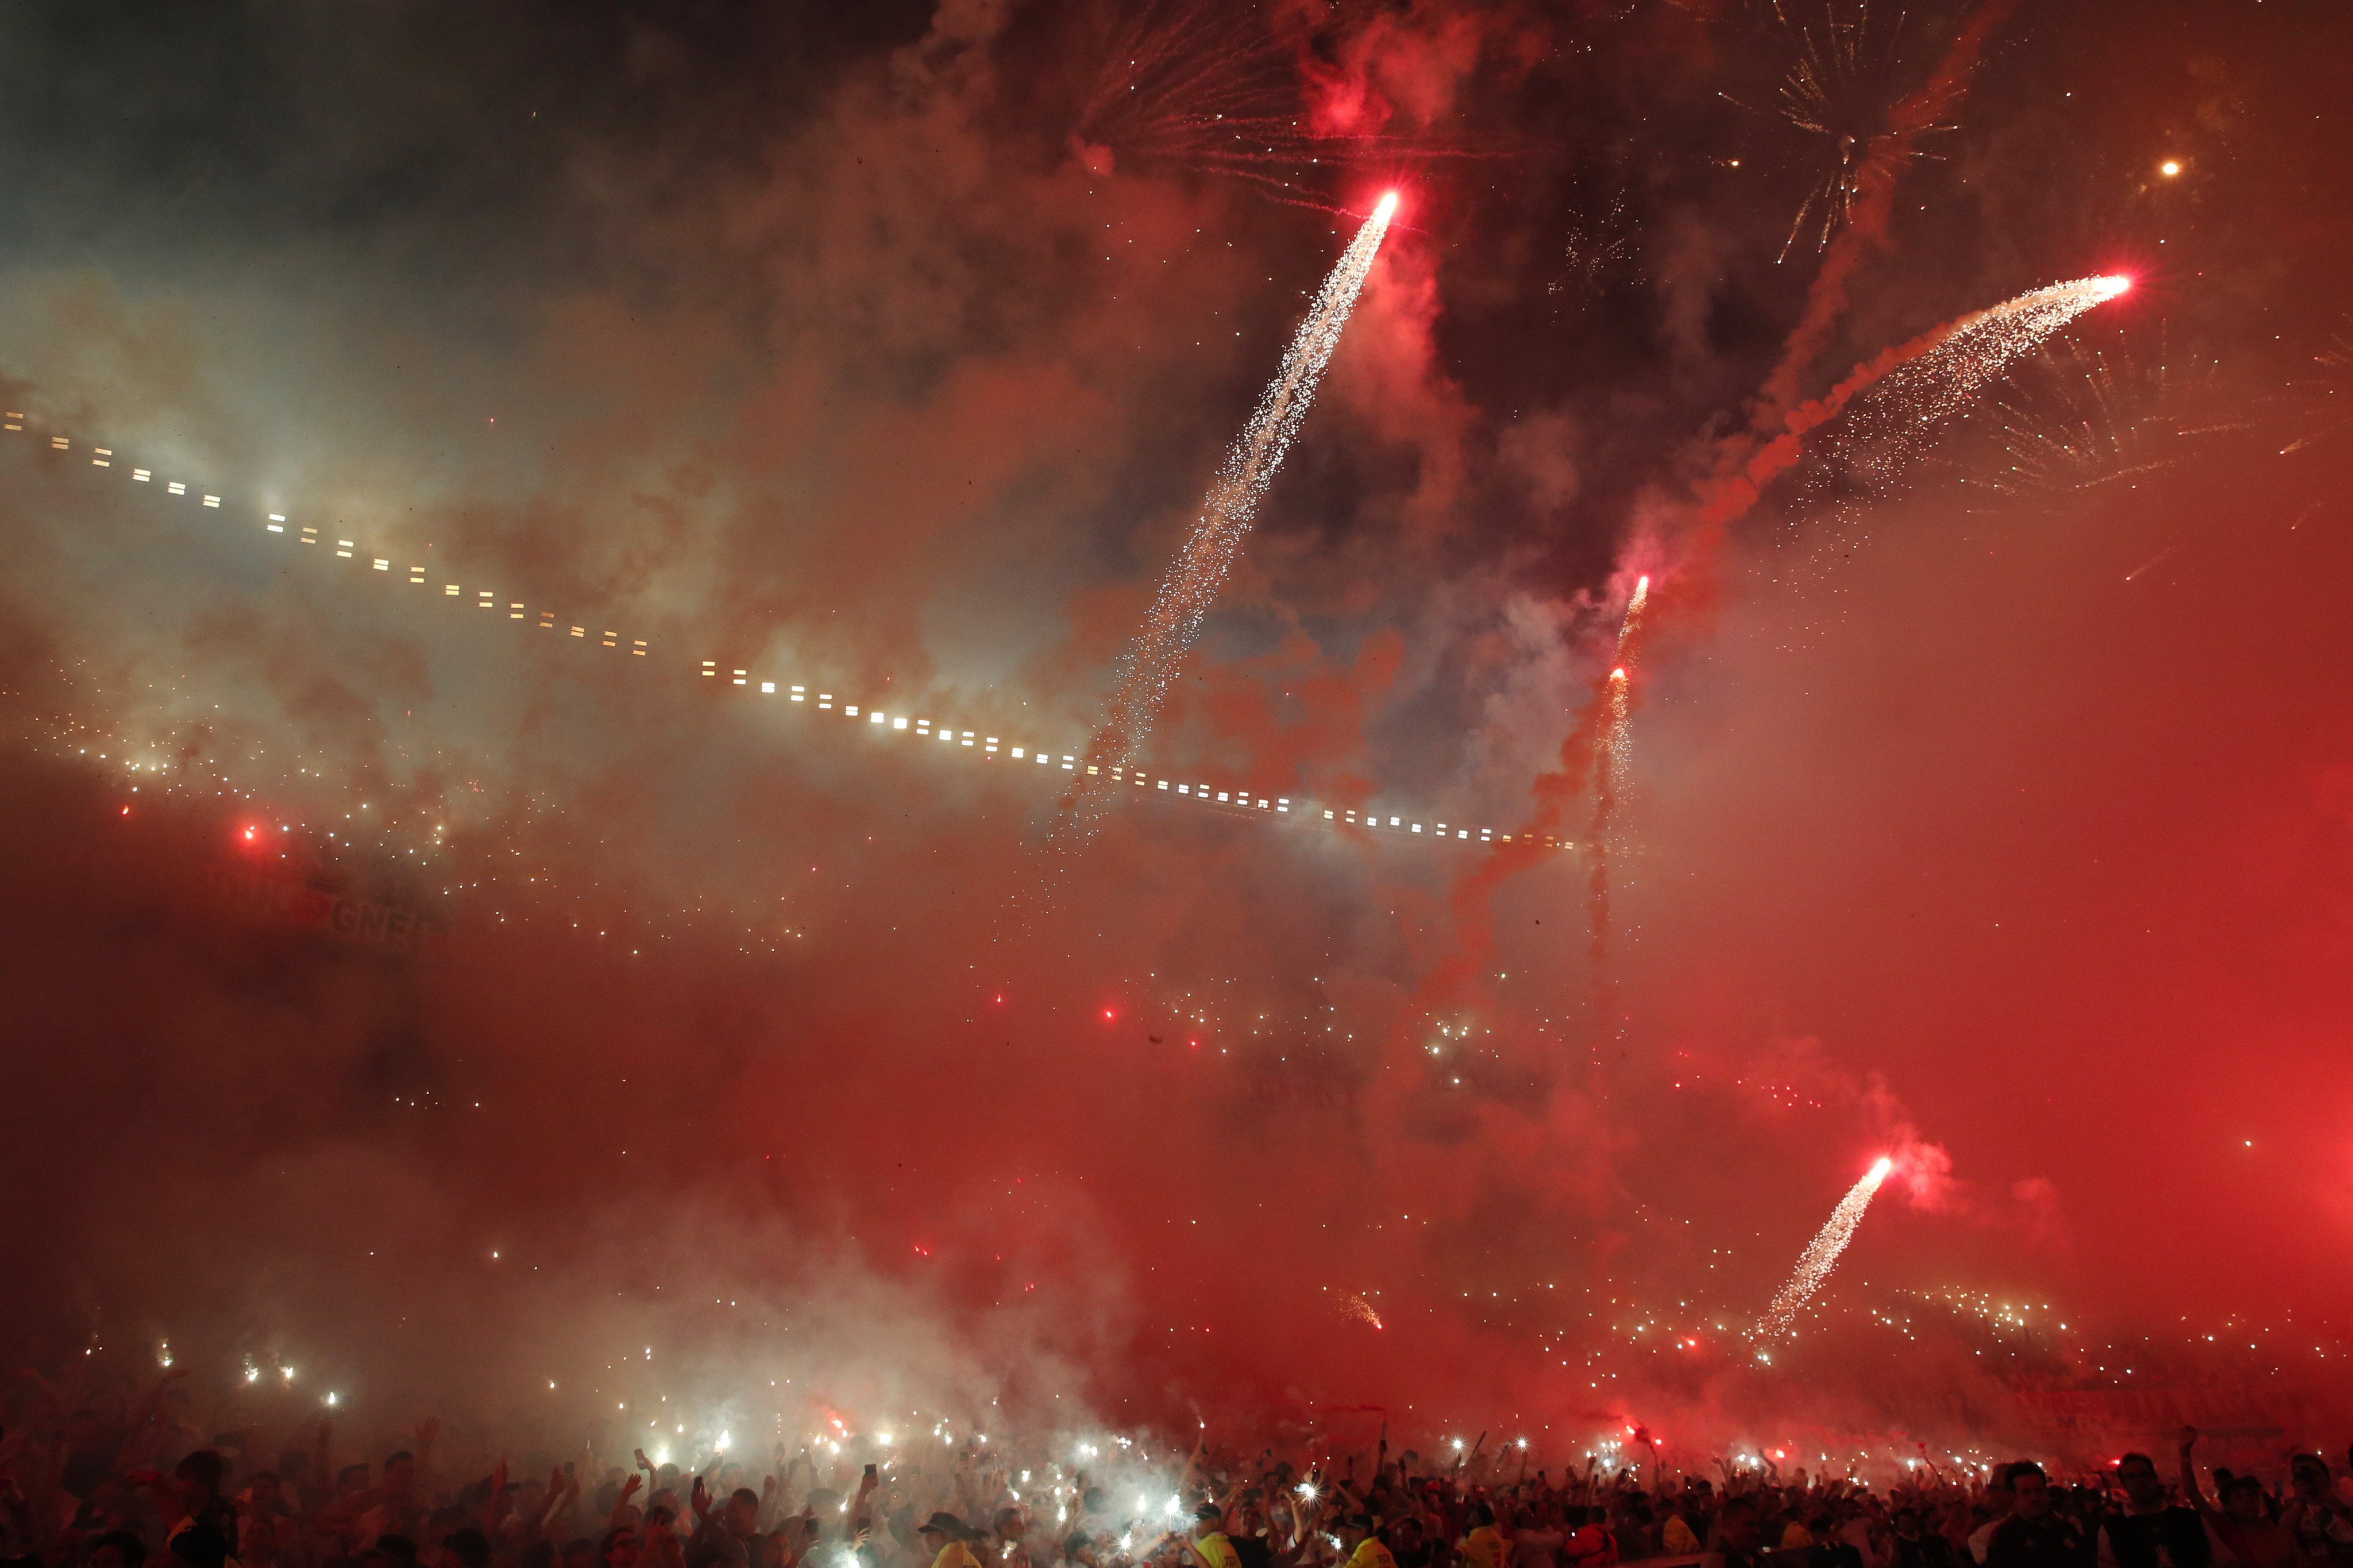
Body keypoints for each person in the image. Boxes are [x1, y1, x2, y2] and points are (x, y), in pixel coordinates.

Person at [2177, 1431, 2301, 1568]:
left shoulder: (2280, 1534)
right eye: (2238, 1496)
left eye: (2250, 1495)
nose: (2247, 1500)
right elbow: (2193, 1494)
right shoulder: (2227, 1531)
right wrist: (2184, 1453)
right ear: (2228, 1507)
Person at [2097, 1454, 2208, 1568]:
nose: (2139, 1481)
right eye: (2130, 1477)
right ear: (2124, 1484)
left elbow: (2225, 1562)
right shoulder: (2112, 1529)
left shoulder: (2191, 1520)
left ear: (2155, 1478)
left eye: (2144, 1475)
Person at [1985, 1465, 2090, 1568]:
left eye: (2039, 1490)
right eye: (2026, 1493)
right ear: (2014, 1497)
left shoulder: (2066, 1529)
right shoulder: (2005, 1536)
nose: (2035, 1498)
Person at [1701, 1496, 1766, 1568]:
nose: (1758, 1531)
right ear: (1730, 1525)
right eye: (1751, 1525)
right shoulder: (1717, 1564)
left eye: (1758, 1525)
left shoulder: (1760, 1559)